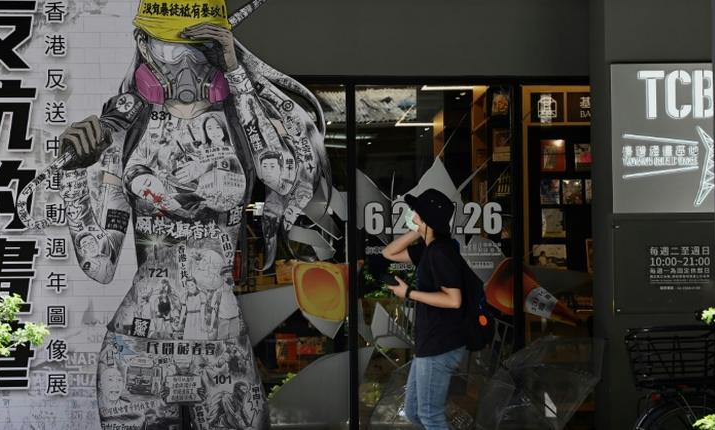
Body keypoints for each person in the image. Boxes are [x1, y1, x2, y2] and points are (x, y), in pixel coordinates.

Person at [53, 0, 330, 428]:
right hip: (135, 352)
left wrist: (236, 73)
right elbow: (100, 264)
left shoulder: (238, 121)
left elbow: (283, 177)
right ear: (144, 45)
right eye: (173, 45)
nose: (187, 64)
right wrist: (73, 178)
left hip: (222, 353)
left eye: (201, 48)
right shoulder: (123, 131)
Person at [381, 188, 467, 430]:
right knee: (414, 412)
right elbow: (389, 253)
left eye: (415, 212)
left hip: (441, 344)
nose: (411, 214)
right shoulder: (429, 249)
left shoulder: (442, 251)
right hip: (430, 342)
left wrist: (408, 293)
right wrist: (418, 230)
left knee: (430, 415)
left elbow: (454, 300)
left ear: (426, 217)